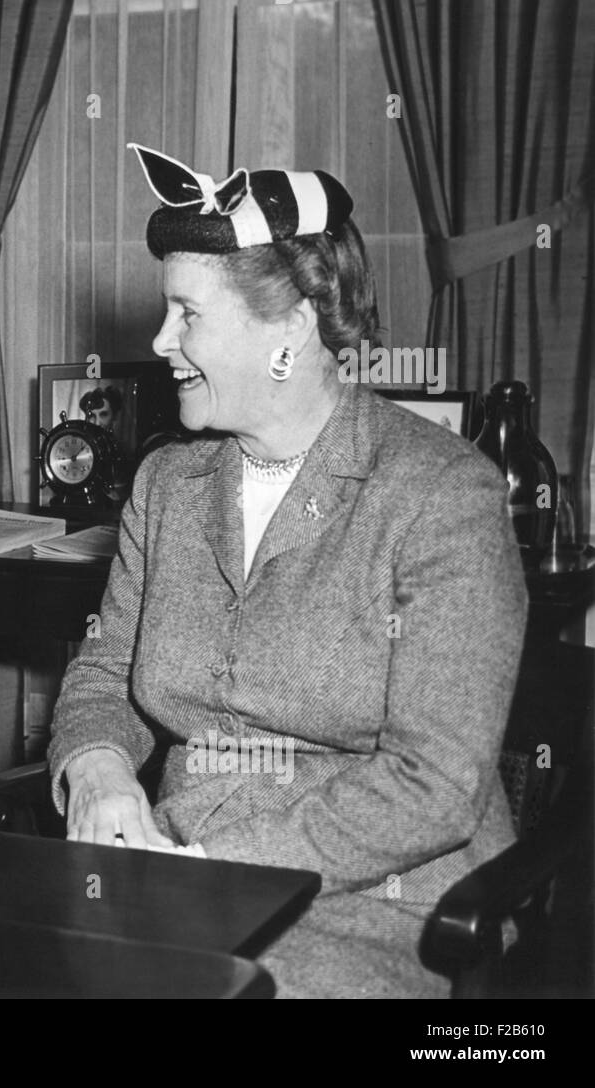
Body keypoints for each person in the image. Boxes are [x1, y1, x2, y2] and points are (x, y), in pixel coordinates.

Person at [46, 145, 527, 998]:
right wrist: (98, 770)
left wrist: (211, 866)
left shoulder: (441, 495)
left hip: (379, 906)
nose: (161, 343)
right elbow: (104, 671)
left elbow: (435, 786)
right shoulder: (168, 484)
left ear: (292, 327)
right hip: (169, 881)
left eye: (186, 315)